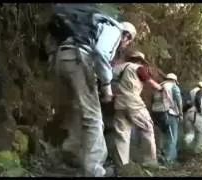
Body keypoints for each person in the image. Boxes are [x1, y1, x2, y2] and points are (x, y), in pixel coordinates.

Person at [46, 5, 137, 175]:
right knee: (94, 117)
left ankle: (71, 152)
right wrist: (107, 86)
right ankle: (95, 169)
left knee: (76, 109)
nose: (125, 44)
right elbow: (101, 52)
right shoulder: (114, 29)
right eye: (129, 41)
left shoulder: (91, 25)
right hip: (79, 59)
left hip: (61, 59)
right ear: (127, 36)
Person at [112, 50, 162, 168]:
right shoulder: (138, 68)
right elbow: (149, 81)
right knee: (147, 127)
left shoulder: (117, 68)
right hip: (133, 102)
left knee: (122, 133)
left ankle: (122, 165)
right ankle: (149, 162)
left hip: (118, 103)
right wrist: (160, 88)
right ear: (140, 60)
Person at [151, 73, 183, 166]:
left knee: (161, 136)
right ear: (174, 80)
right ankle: (169, 161)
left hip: (156, 114)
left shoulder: (158, 86)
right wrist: (180, 113)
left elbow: (153, 100)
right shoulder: (173, 86)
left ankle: (160, 156)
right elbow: (179, 100)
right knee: (172, 137)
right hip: (168, 113)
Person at [183, 81, 202, 154]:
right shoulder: (200, 90)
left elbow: (187, 103)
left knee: (190, 132)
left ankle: (187, 148)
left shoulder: (191, 91)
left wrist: (183, 111)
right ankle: (199, 149)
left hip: (188, 113)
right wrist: (200, 110)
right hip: (195, 113)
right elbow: (198, 98)